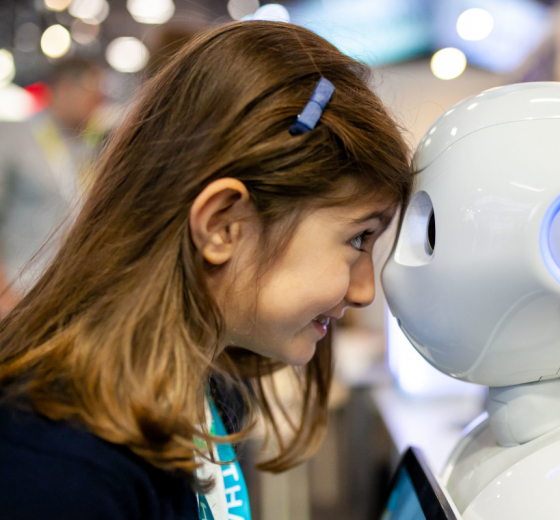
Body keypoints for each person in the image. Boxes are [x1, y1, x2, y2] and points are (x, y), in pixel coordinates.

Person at [0, 21, 412, 520]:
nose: (366, 290)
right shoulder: (58, 468)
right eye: (358, 239)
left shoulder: (209, 389)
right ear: (223, 226)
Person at [0, 57, 104, 316]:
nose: (97, 101)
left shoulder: (86, 147)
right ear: (63, 88)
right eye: (91, 91)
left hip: (64, 299)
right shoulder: (14, 136)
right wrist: (4, 293)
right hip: (17, 295)